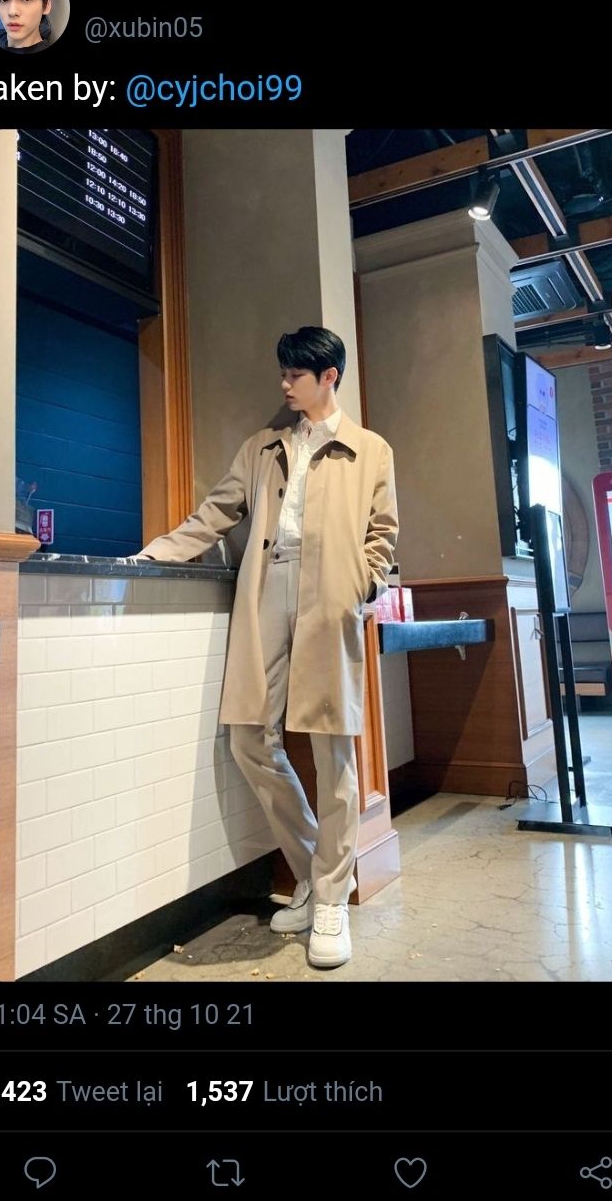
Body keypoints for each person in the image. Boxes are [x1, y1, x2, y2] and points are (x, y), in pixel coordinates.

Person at [134, 327, 398, 968]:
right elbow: (215, 513)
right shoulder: (262, 447)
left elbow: (383, 533)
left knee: (334, 749)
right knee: (249, 737)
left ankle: (331, 901)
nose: (284, 385)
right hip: (266, 586)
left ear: (329, 376)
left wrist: (358, 585)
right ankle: (314, 871)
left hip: (331, 592)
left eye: (295, 374)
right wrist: (153, 555)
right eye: (283, 373)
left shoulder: (370, 450)